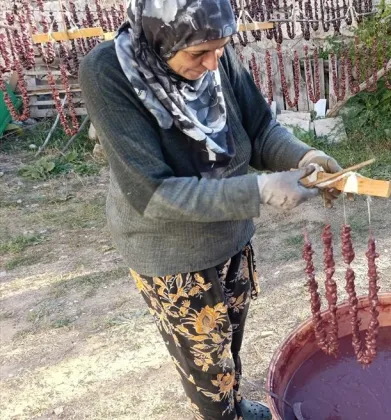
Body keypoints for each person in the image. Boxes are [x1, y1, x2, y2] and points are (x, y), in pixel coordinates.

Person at [79, 1, 342, 419]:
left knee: (229, 342)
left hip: (231, 235)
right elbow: (152, 192)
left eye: (220, 47)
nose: (213, 61)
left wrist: (303, 154)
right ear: (161, 36)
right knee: (205, 366)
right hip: (171, 252)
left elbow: (259, 128)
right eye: (199, 53)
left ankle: (234, 405)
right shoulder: (108, 72)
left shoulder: (210, 46)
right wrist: (259, 190)